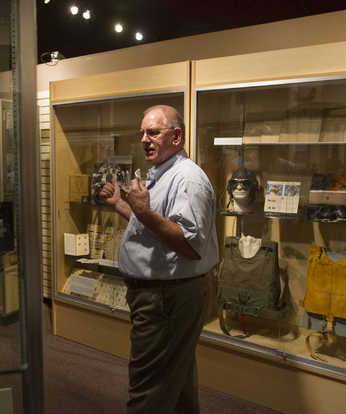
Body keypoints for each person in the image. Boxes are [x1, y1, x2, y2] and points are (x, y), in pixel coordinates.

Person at [99, 105, 219, 414]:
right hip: (165, 296)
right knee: (177, 385)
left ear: (176, 136)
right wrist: (122, 205)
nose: (144, 140)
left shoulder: (188, 179)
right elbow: (154, 228)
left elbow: (191, 245)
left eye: (153, 132)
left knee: (148, 390)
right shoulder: (166, 171)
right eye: (142, 133)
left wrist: (145, 212)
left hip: (167, 299)